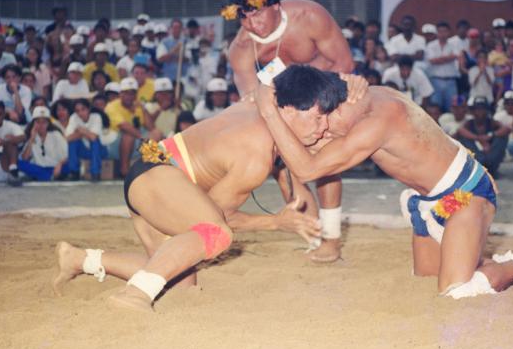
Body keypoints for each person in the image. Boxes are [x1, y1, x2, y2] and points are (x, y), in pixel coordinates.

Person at [50, 72, 363, 313]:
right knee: (217, 235)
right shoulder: (256, 156)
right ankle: (134, 295)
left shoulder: (256, 104)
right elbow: (217, 216)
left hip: (154, 172)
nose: (322, 128)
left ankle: (81, 259)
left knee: (179, 281)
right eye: (318, 117)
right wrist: (274, 223)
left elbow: (271, 86)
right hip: (158, 179)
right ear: (291, 110)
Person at [257, 65, 513, 300]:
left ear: (317, 107)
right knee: (426, 275)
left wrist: (269, 111)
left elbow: (308, 169)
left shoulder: (374, 119)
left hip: (466, 196)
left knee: (457, 290)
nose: (315, 132)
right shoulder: (343, 102)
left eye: (309, 122)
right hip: (431, 203)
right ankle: (469, 249)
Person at [223, 0, 354, 263]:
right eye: (244, 17)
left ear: (275, 5)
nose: (252, 23)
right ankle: (313, 233)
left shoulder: (309, 16)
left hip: (329, 91)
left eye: (257, 12)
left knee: (323, 157)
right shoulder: (241, 50)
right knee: (283, 166)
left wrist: (307, 95)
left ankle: (331, 237)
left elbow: (344, 62)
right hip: (282, 111)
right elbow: (252, 102)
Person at [104, 77, 159, 177]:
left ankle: (151, 167)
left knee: (157, 133)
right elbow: (124, 126)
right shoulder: (111, 106)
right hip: (115, 144)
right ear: (120, 94)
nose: (129, 96)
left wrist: (143, 109)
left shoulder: (137, 105)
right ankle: (124, 170)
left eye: (132, 93)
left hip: (136, 142)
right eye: (126, 93)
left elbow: (151, 127)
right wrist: (143, 138)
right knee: (128, 135)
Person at [456, 96, 509, 176]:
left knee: (502, 138)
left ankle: (491, 167)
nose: (480, 112)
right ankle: (477, 168)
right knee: (464, 139)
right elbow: (460, 130)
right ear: (473, 111)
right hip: (477, 159)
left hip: (491, 157)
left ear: (487, 110)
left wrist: (491, 136)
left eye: (482, 109)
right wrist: (478, 139)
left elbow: (506, 129)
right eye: (477, 109)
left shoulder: (491, 122)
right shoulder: (469, 123)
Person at [18, 106, 69, 181]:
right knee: (19, 163)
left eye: (44, 122)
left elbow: (68, 155)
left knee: (70, 166)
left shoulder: (56, 134)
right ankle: (48, 177)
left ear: (48, 123)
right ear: (33, 123)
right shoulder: (32, 136)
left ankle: (43, 177)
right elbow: (25, 158)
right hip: (39, 167)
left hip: (55, 167)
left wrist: (59, 165)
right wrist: (32, 139)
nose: (41, 125)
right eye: (38, 122)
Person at [66, 99, 109, 181]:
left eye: (83, 109)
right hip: (84, 151)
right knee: (73, 143)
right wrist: (85, 133)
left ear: (88, 109)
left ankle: (95, 172)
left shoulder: (96, 117)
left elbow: (94, 138)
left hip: (100, 151)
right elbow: (68, 138)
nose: (80, 113)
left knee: (95, 142)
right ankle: (74, 172)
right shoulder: (73, 117)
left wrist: (80, 130)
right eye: (77, 110)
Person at [426, 21, 459, 112]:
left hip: (451, 81)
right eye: (440, 31)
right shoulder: (431, 45)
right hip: (435, 80)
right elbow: (432, 61)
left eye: (445, 31)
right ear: (437, 33)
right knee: (435, 108)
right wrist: (449, 58)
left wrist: (439, 59)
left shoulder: (454, 45)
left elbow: (455, 56)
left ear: (449, 32)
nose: (442, 34)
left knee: (452, 108)